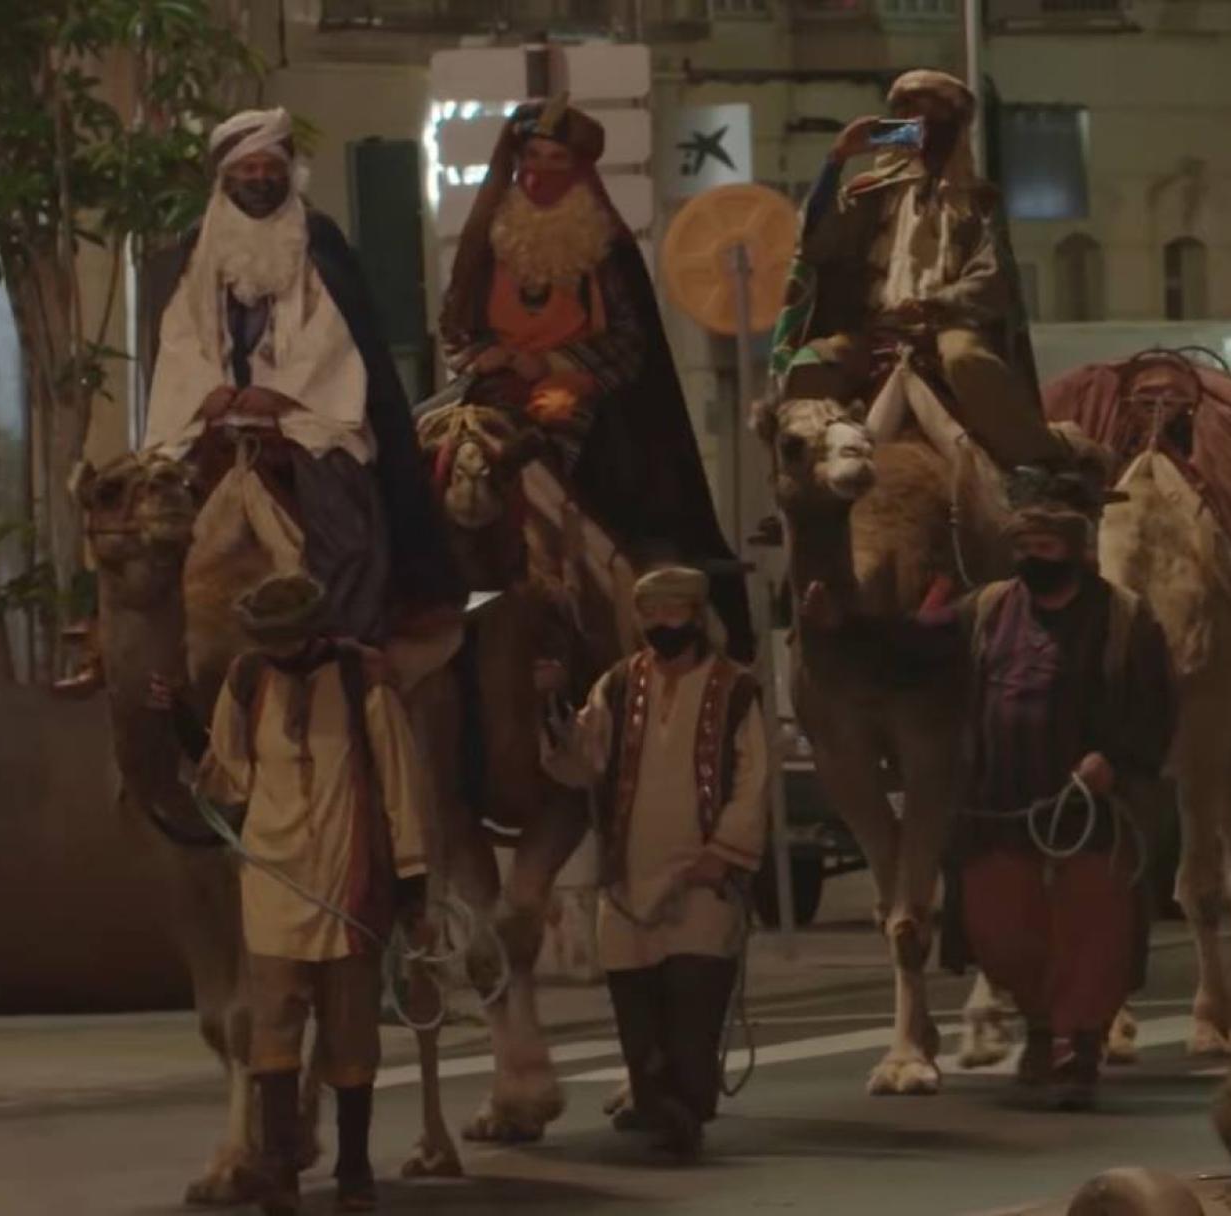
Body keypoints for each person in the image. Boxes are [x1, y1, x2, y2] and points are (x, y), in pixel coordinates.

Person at [807, 461, 1174, 1109]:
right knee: (1004, 932)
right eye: (1027, 547)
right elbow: (911, 645)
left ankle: (1075, 1045)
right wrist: (844, 626)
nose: (1036, 557)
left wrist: (1114, 758)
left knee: (1090, 927)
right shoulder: (986, 608)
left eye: (1048, 547)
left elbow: (1154, 708)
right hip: (1000, 805)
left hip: (1087, 807)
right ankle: (1040, 1026)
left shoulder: (1126, 620)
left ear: (1078, 548)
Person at [59, 106, 461, 691]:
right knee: (141, 513)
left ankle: (346, 647)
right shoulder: (201, 247)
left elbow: (333, 334)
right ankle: (120, 649)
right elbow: (181, 333)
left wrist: (280, 391)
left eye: (268, 166)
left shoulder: (317, 239)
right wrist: (208, 390)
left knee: (345, 520)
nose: (258, 178)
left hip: (302, 412)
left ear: (286, 171)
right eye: (245, 168)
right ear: (226, 177)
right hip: (215, 414)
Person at [439, 94, 753, 662]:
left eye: (557, 161)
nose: (540, 174)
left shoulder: (606, 251)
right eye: (531, 156)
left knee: (601, 463)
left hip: (580, 396)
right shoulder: (488, 240)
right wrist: (493, 356)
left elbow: (632, 344)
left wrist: (554, 366)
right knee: (429, 448)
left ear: (579, 169)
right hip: (493, 391)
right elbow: (455, 329)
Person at [189, 573, 434, 1214]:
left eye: (289, 638)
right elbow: (227, 777)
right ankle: (281, 1169)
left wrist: (412, 881)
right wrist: (174, 739)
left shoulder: (362, 679)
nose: (281, 649)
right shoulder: (246, 681)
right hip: (273, 882)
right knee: (272, 1030)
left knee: (351, 1034)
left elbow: (399, 781)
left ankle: (354, 1168)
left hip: (349, 885)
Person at [543, 566, 769, 1159]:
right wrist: (552, 707)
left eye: (674, 614)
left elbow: (753, 782)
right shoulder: (618, 685)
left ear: (696, 617)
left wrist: (721, 856)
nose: (663, 626)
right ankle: (655, 1104)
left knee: (691, 1011)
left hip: (701, 879)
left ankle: (683, 1113)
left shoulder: (736, 689)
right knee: (637, 1014)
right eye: (652, 615)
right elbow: (582, 761)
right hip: (627, 881)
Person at [770, 69, 1068, 471]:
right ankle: (803, 479)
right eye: (909, 113)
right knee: (808, 365)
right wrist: (836, 160)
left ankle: (1039, 464)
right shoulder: (867, 195)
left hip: (946, 326)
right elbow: (816, 242)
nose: (921, 125)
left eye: (933, 115)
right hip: (874, 329)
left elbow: (992, 278)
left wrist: (935, 303)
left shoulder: (979, 202)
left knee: (966, 360)